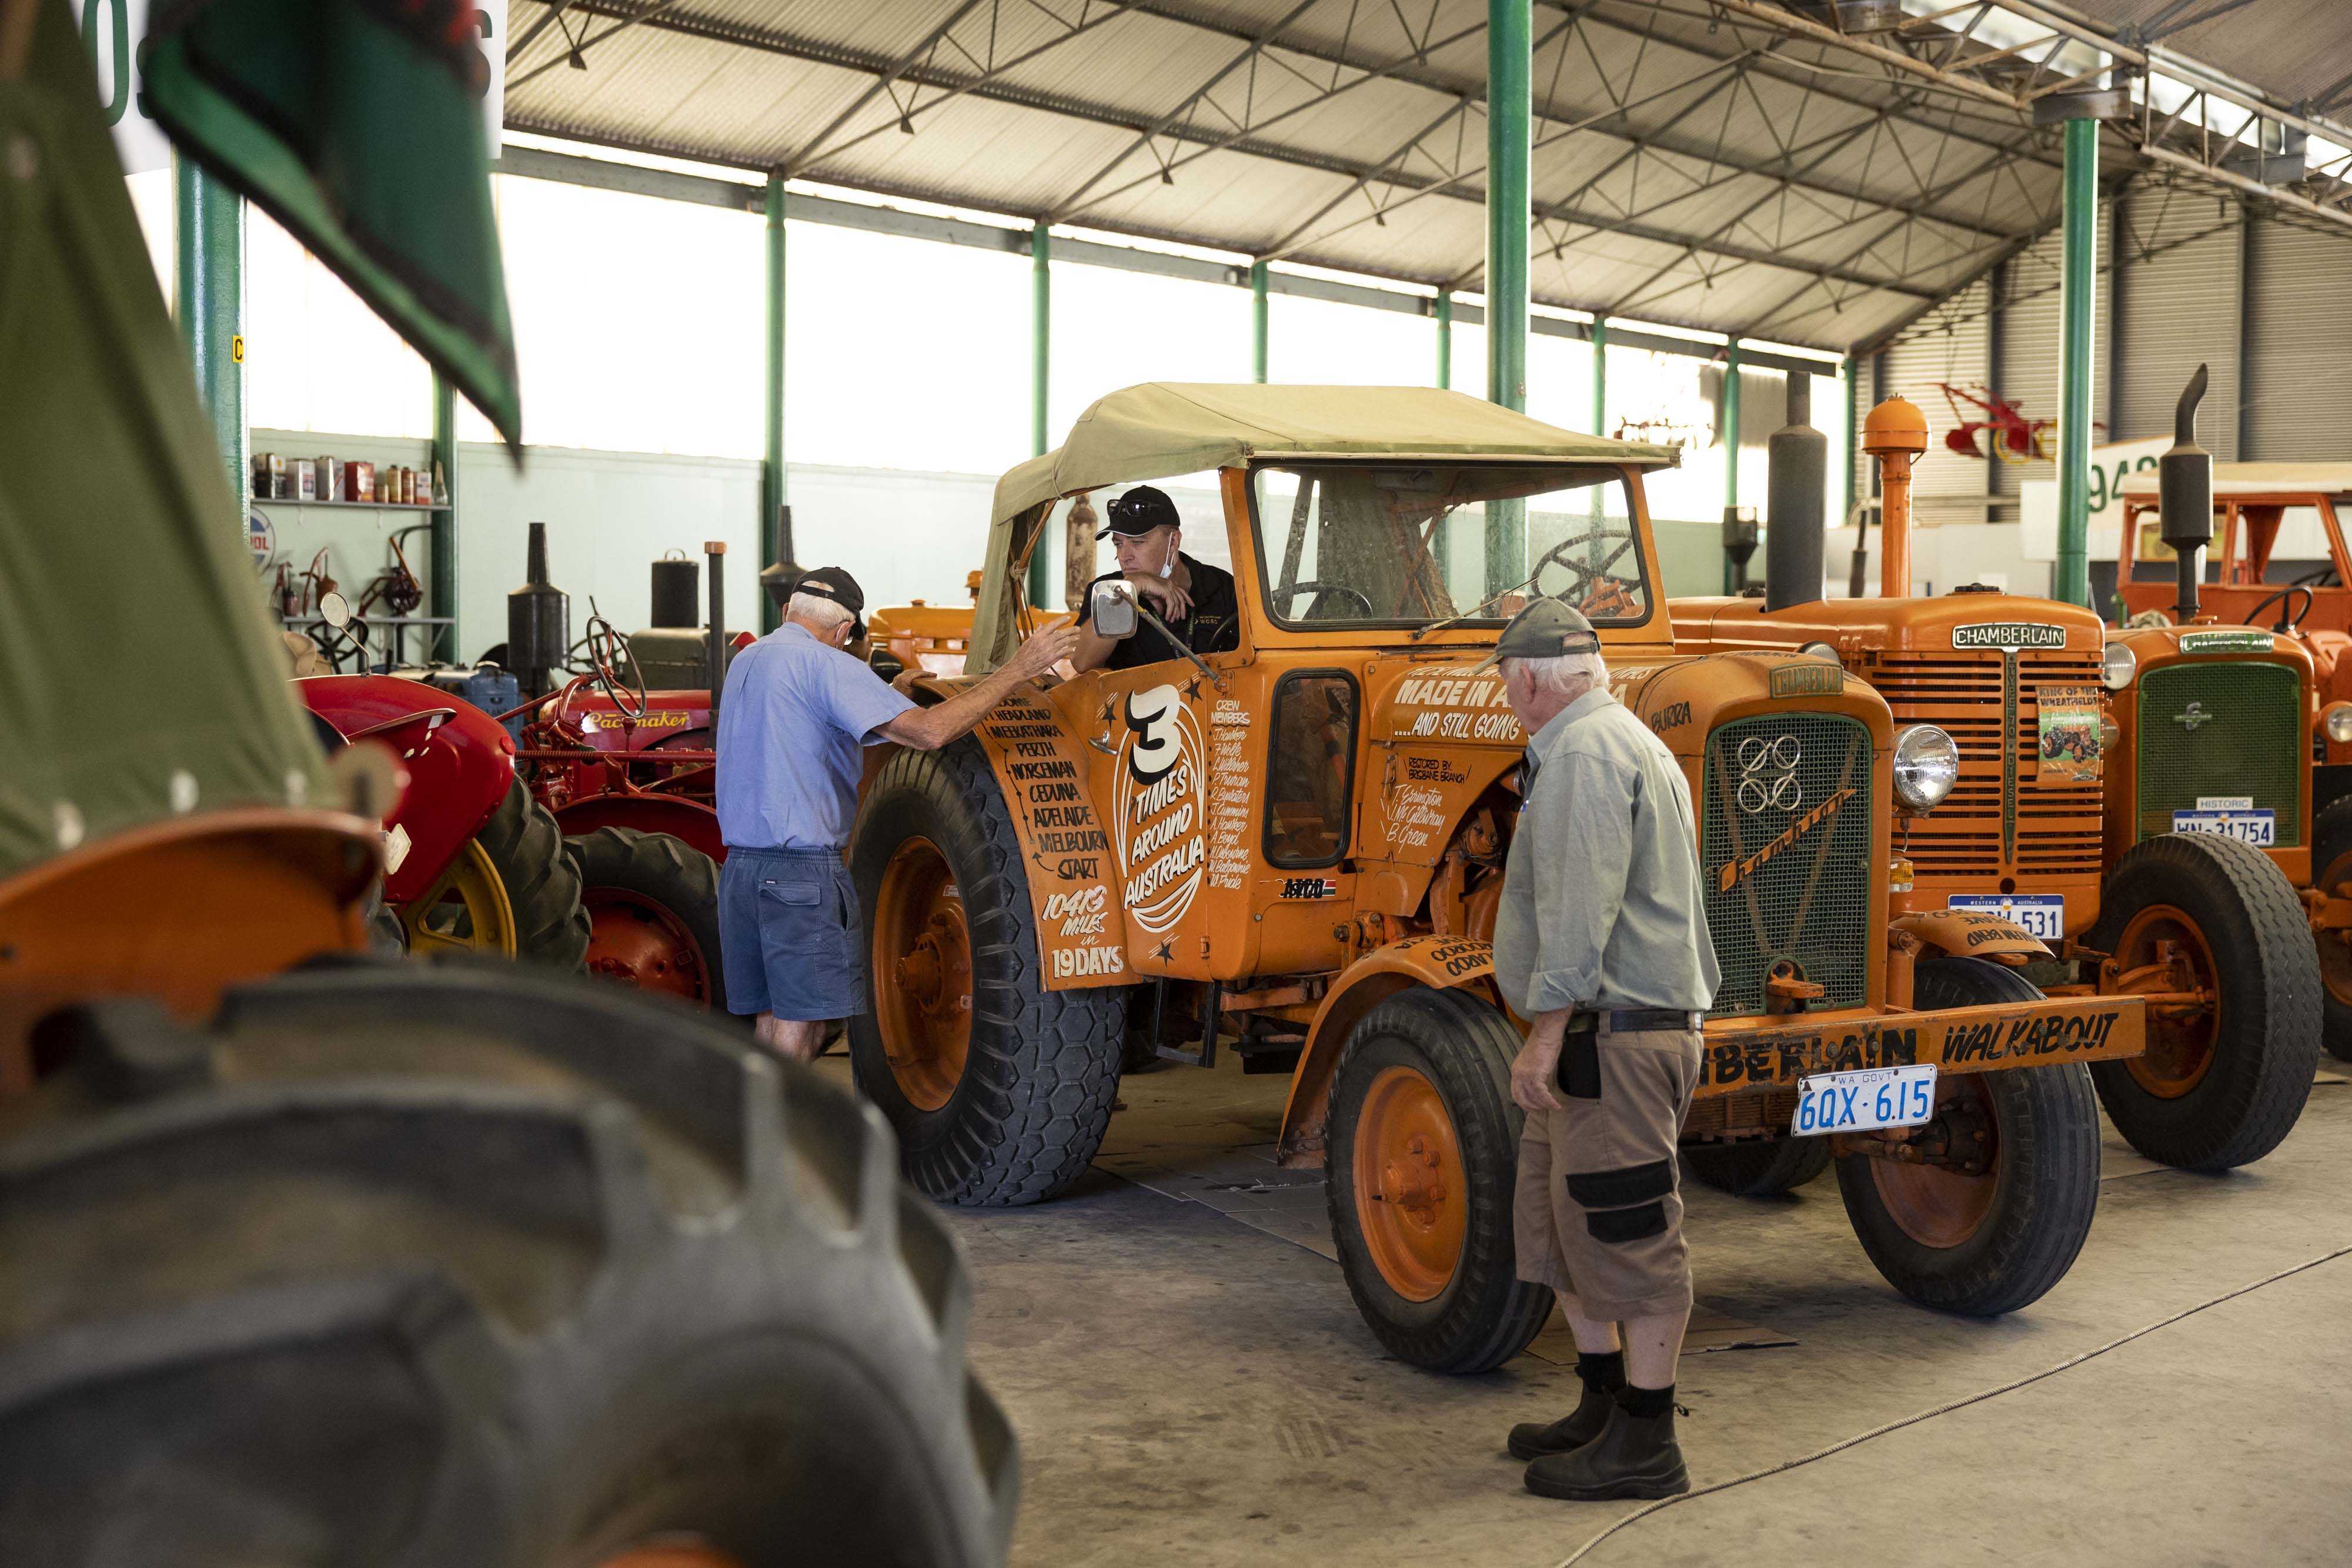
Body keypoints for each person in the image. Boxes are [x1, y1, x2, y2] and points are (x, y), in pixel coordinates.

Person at [1479, 598, 1720, 1502]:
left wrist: (1543, 1033)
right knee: (1562, 1221)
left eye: (1507, 683)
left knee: (1630, 1233)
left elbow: (1584, 908)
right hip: (1595, 1030)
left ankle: (1649, 1442)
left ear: (1531, 677)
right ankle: (1603, 1401)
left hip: (1610, 1033)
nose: (1508, 699)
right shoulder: (1619, 737)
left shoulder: (1582, 753)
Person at [714, 566, 1080, 1064]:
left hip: (740, 873)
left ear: (787, 612)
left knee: (772, 1020)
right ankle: (781, 1141)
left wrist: (891, 702)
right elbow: (930, 733)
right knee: (803, 1028)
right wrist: (1017, 669)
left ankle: (753, 1137)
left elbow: (806, 738)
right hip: (798, 877)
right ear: (844, 632)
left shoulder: (746, 662)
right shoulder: (830, 665)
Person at [1070, 484, 1239, 672]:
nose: (1125, 556)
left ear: (1173, 541)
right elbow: (1081, 662)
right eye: (1118, 544)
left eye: (1137, 542)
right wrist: (1130, 588)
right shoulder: (1106, 592)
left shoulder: (1221, 587)